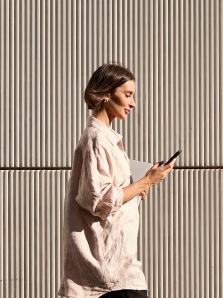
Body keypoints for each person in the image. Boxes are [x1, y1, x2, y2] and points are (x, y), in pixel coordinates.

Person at [58, 63, 174, 298]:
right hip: (106, 274)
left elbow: (109, 193)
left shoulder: (106, 139)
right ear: (105, 95)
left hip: (116, 269)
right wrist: (145, 182)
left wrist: (137, 186)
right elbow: (99, 200)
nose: (133, 103)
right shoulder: (96, 139)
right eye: (128, 95)